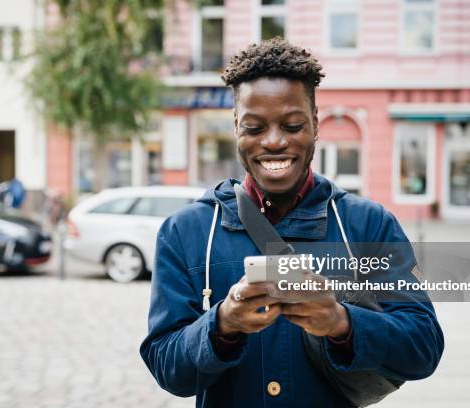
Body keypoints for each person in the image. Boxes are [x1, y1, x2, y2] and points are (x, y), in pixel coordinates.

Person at [140, 38, 444, 407]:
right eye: (254, 127)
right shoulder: (184, 232)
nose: (273, 141)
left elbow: (423, 347)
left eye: (293, 124)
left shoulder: (368, 225)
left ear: (315, 124)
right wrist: (222, 325)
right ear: (236, 126)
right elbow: (166, 367)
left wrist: (341, 323)